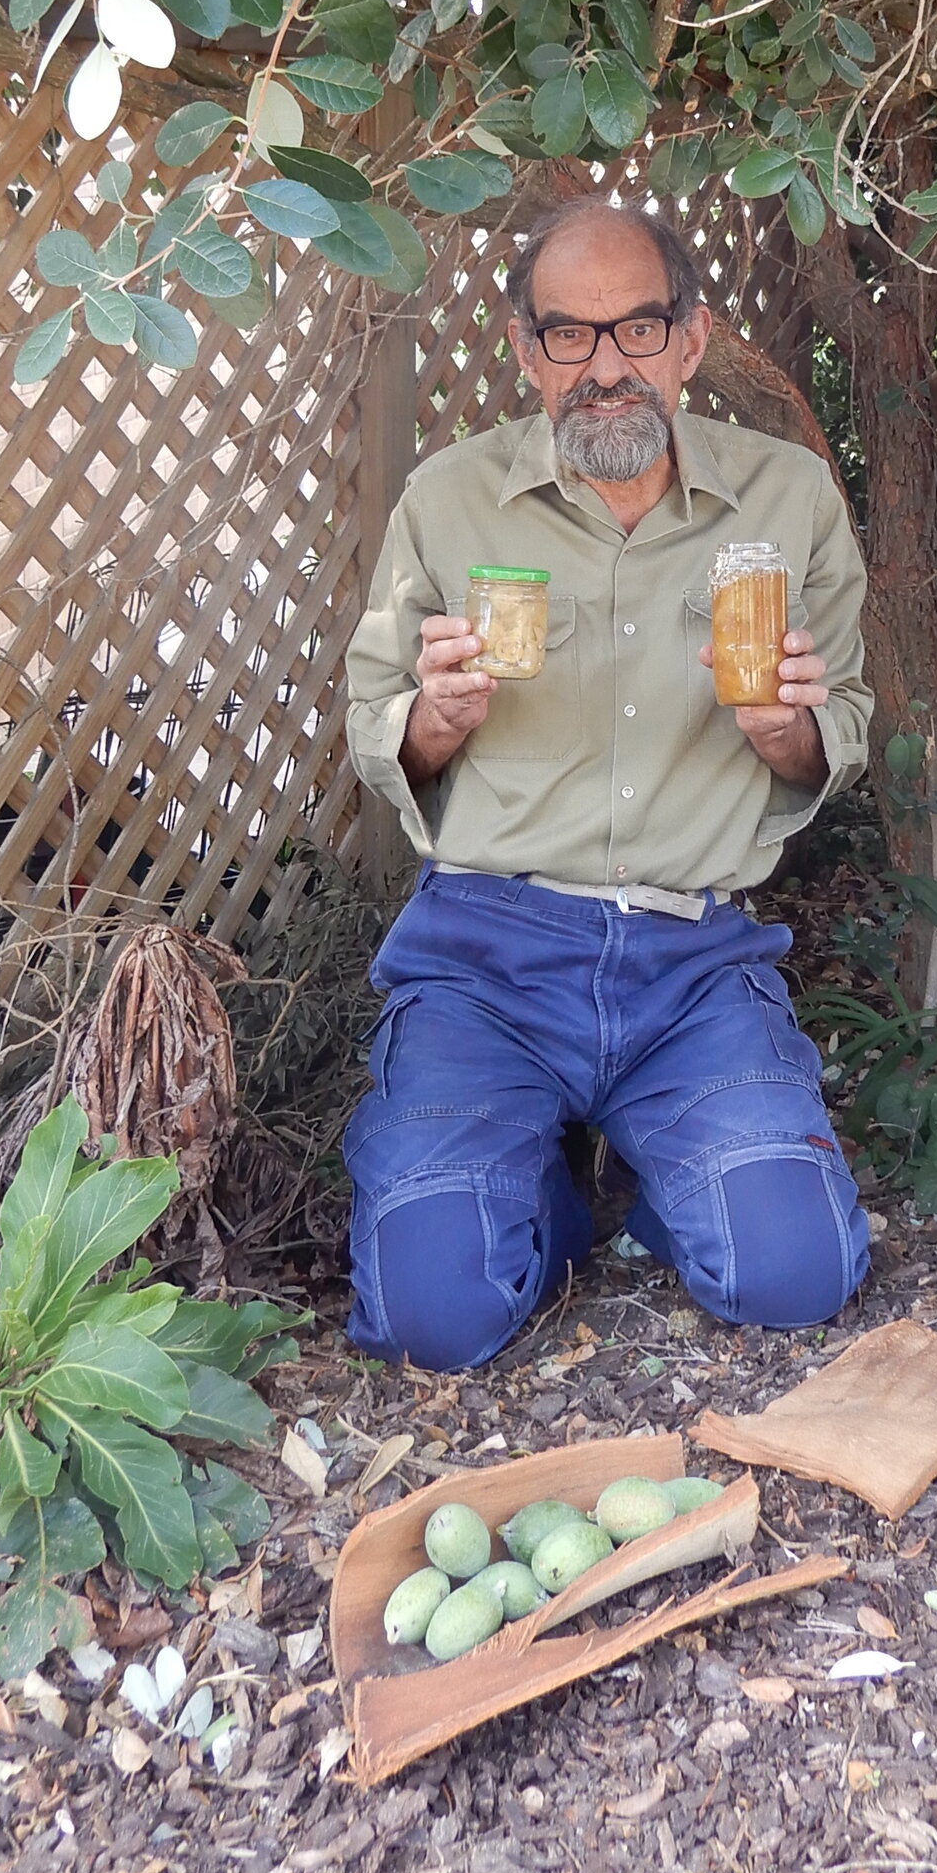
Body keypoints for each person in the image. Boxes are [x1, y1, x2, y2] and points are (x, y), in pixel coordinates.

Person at [342, 199, 875, 1370]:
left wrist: (782, 729)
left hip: (690, 965)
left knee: (792, 1278)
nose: (606, 369)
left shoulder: (789, 503)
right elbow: (373, 725)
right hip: (484, 958)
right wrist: (429, 721)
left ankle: (647, 1168)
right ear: (527, 352)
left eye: (636, 330)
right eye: (569, 337)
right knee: (438, 1316)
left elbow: (836, 739)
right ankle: (538, 1181)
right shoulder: (448, 499)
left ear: (689, 341)